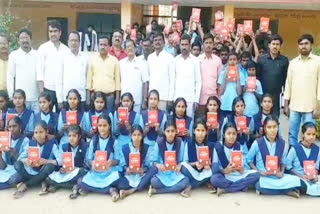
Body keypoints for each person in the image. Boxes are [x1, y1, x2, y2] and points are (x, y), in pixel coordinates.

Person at [247, 115, 301, 198]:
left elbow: (283, 162)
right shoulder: (257, 142)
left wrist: (282, 172)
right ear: (265, 129)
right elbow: (249, 160)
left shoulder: (282, 143)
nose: (272, 130)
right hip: (263, 177)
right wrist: (259, 172)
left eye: (275, 127)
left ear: (278, 127)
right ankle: (285, 191)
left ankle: (272, 191)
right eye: (269, 127)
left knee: (296, 180)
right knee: (260, 185)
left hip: (277, 177)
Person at [284, 34, 320, 146]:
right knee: (292, 135)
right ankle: (292, 159)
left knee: (309, 136)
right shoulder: (293, 62)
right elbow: (288, 83)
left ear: (311, 46)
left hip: (311, 107)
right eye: (301, 44)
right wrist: (286, 104)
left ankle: (307, 161)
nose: (303, 46)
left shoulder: (318, 61)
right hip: (294, 106)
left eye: (306, 44)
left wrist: (318, 106)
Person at [77, 114, 121, 202]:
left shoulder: (114, 141)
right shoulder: (94, 140)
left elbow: (118, 160)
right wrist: (92, 163)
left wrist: (111, 162)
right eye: (100, 125)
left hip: (109, 172)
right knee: (80, 181)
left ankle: (91, 188)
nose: (102, 128)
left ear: (109, 126)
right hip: (96, 173)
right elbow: (89, 158)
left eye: (105, 125)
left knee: (120, 179)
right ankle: (110, 190)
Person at [210, 122, 260, 196]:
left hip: (238, 174)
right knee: (214, 179)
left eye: (234, 134)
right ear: (224, 135)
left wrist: (241, 169)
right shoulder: (218, 146)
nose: (231, 136)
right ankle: (240, 186)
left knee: (256, 174)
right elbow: (214, 169)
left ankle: (226, 189)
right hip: (225, 175)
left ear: (237, 135)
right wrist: (224, 171)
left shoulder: (239, 146)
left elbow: (245, 166)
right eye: (229, 133)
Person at [13, 121, 59, 198]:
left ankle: (26, 184)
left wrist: (46, 161)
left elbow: (60, 160)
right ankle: (40, 181)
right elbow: (20, 158)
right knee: (17, 165)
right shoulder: (30, 144)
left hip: (43, 170)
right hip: (31, 169)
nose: (38, 135)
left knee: (50, 166)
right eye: (36, 132)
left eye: (41, 132)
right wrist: (26, 161)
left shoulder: (52, 145)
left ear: (46, 132)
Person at [148, 117, 191, 197]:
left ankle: (158, 191)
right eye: (168, 131)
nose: (170, 134)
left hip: (174, 172)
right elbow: (153, 161)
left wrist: (180, 164)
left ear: (176, 132)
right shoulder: (159, 142)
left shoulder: (179, 142)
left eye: (172, 131)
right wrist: (158, 165)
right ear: (164, 132)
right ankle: (174, 189)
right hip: (163, 172)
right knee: (154, 181)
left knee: (186, 181)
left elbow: (183, 160)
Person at [46, 125, 88, 199]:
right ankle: (73, 186)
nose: (71, 138)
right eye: (69, 136)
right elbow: (61, 162)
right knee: (48, 178)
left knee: (82, 173)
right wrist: (62, 169)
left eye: (74, 136)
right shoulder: (64, 147)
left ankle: (58, 185)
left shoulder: (85, 146)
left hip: (77, 171)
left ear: (79, 137)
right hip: (67, 173)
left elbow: (86, 164)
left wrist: (75, 168)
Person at [37, 20, 69, 112]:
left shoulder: (66, 50)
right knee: (47, 116)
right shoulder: (43, 48)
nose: (53, 34)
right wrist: (42, 91)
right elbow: (40, 70)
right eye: (50, 31)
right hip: (47, 88)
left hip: (62, 89)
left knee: (61, 115)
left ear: (60, 33)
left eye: (55, 31)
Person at [117, 125, 157, 199]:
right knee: (119, 183)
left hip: (141, 175)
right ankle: (141, 186)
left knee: (154, 169)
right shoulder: (125, 147)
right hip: (129, 176)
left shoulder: (146, 147)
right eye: (134, 135)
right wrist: (127, 169)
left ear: (142, 136)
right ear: (131, 136)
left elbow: (148, 164)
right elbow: (122, 164)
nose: (136, 137)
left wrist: (143, 170)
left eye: (139, 135)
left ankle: (131, 191)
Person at [7, 28, 40, 113]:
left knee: (36, 123)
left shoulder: (38, 54)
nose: (24, 40)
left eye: (27, 37)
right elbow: (10, 76)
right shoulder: (14, 55)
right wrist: (12, 96)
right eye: (22, 38)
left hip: (36, 98)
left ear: (31, 39)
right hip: (20, 99)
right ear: (18, 41)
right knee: (21, 123)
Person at [86, 35, 120, 113]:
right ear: (98, 45)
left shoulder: (114, 61)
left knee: (109, 119)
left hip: (110, 97)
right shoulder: (92, 60)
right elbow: (89, 80)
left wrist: (117, 98)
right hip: (95, 97)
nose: (102, 47)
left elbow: (117, 80)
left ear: (109, 46)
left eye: (105, 45)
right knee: (96, 120)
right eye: (100, 44)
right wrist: (88, 98)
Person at [257, 34, 289, 117]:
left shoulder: (284, 60)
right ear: (269, 45)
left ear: (280, 46)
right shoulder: (262, 60)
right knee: (262, 121)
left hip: (276, 96)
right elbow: (257, 78)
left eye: (277, 44)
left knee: (275, 120)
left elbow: (286, 80)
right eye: (273, 44)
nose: (275, 46)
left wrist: (286, 102)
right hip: (263, 96)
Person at [180, 119, 215, 193]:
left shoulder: (210, 145)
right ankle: (205, 182)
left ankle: (191, 185)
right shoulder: (189, 144)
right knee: (182, 167)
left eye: (203, 131)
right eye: (198, 130)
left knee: (216, 168)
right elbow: (185, 162)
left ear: (206, 132)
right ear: (194, 131)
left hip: (205, 171)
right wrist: (195, 163)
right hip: (193, 171)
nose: (200, 133)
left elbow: (213, 163)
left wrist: (208, 165)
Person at [56, 31, 88, 110]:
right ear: (68, 42)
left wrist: (88, 98)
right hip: (67, 99)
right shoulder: (62, 57)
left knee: (81, 121)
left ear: (79, 42)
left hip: (82, 97)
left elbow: (88, 79)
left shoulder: (86, 57)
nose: (74, 43)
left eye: (76, 40)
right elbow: (58, 80)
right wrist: (59, 100)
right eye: (71, 40)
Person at [286, 122, 320, 196]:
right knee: (294, 181)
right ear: (303, 134)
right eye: (308, 134)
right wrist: (301, 176)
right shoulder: (295, 148)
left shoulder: (317, 149)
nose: (311, 137)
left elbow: (316, 167)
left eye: (313, 134)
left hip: (312, 179)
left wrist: (315, 176)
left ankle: (303, 190)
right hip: (299, 177)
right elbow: (288, 166)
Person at [173, 34, 201, 118]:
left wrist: (196, 100)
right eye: (182, 44)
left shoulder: (195, 61)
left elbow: (198, 81)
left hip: (190, 99)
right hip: (177, 98)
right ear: (179, 45)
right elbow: (172, 80)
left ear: (189, 46)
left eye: (186, 44)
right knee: (176, 125)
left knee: (189, 124)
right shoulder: (175, 60)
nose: (184, 47)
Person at [197, 33, 223, 118]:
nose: (208, 45)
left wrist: (219, 98)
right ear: (203, 44)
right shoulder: (198, 60)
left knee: (213, 124)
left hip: (213, 99)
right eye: (206, 43)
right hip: (201, 98)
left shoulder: (218, 60)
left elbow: (220, 81)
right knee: (200, 123)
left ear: (213, 44)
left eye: (210, 43)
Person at [147, 32, 175, 112]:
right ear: (153, 43)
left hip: (164, 97)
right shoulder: (150, 57)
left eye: (159, 40)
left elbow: (172, 79)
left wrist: (170, 98)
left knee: (163, 122)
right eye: (155, 40)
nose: (157, 42)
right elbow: (149, 78)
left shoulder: (170, 58)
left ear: (163, 42)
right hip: (152, 98)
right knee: (151, 122)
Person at [120, 39, 149, 113]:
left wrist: (145, 100)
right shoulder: (121, 63)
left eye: (131, 46)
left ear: (135, 48)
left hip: (137, 102)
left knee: (136, 123)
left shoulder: (142, 63)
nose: (129, 48)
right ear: (125, 50)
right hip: (124, 102)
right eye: (127, 47)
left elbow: (146, 82)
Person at [0, 117, 29, 190]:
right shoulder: (5, 140)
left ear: (20, 127)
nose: (11, 129)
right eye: (9, 127)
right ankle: (12, 185)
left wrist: (13, 152)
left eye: (14, 126)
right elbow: (3, 166)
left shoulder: (26, 140)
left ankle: (11, 184)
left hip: (18, 170)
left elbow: (23, 162)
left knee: (15, 178)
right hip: (6, 169)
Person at [218, 53, 246, 117]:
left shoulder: (241, 74)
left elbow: (239, 93)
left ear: (237, 61)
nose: (232, 61)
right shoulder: (223, 73)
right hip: (225, 104)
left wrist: (238, 78)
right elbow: (221, 92)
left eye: (234, 59)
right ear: (228, 61)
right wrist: (225, 77)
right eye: (230, 59)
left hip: (236, 105)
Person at [139, 90, 167, 154]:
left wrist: (158, 130)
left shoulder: (163, 114)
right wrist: (146, 130)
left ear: (158, 101)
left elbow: (165, 135)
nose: (153, 101)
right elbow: (139, 135)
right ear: (148, 100)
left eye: (155, 99)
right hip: (146, 144)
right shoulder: (143, 114)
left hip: (159, 144)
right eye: (151, 99)